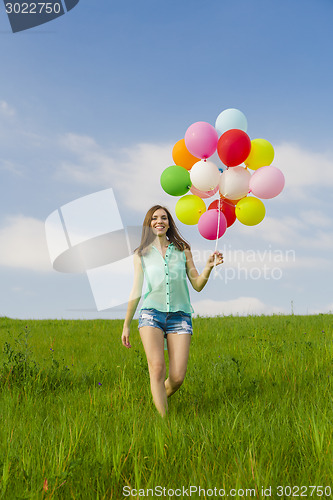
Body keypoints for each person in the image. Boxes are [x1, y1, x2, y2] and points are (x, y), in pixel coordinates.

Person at [121, 205, 223, 417]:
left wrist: (209, 267)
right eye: (155, 218)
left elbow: (196, 284)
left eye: (164, 218)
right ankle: (165, 424)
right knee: (157, 368)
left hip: (180, 317)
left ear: (169, 223)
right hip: (151, 315)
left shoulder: (183, 249)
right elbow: (135, 290)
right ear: (149, 224)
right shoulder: (141, 254)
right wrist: (126, 325)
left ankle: (157, 401)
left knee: (177, 378)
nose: (160, 221)